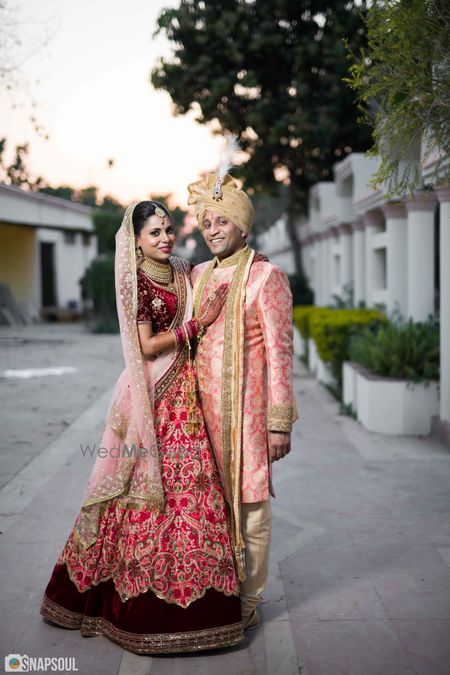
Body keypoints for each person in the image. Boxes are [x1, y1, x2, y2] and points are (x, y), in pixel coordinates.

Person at [40, 200, 244, 654]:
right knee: (145, 490)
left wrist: (249, 258)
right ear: (135, 240)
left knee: (195, 489)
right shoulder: (136, 280)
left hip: (188, 391)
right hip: (153, 394)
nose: (164, 238)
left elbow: (217, 273)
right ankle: (132, 607)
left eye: (168, 229)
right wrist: (197, 324)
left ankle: (209, 608)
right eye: (154, 233)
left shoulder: (181, 268)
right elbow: (148, 345)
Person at [187, 137, 298, 631]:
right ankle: (216, 591)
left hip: (249, 417)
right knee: (211, 507)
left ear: (242, 224)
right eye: (206, 222)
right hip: (201, 415)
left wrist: (280, 424)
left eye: (221, 221)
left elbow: (280, 354)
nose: (212, 230)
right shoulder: (197, 278)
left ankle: (248, 599)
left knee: (251, 507)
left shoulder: (265, 277)